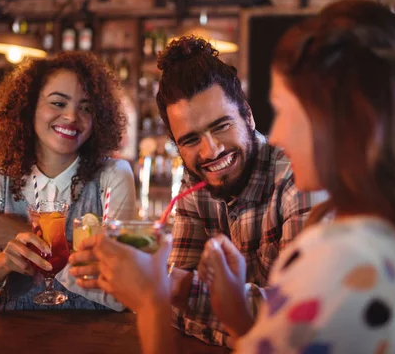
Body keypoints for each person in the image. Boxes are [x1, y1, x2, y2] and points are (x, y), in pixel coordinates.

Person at [70, 0, 395, 353]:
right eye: (192, 139)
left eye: (287, 112)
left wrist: (151, 302)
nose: (281, 135)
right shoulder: (391, 236)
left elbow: (197, 309)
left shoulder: (341, 258)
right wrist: (235, 307)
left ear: (343, 121)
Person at [71, 36, 321, 346]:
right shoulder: (195, 182)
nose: (211, 150)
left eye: (221, 126)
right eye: (190, 140)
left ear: (247, 114)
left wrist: (177, 294)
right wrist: (173, 295)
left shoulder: (299, 178)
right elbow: (172, 305)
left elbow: (303, 321)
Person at [0, 52, 137, 316]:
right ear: (29, 106)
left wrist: (22, 233)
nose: (71, 116)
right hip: (15, 340)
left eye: (86, 107)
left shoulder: (112, 177)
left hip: (95, 340)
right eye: (58, 103)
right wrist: (0, 265)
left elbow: (123, 294)